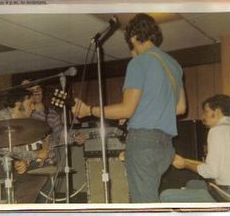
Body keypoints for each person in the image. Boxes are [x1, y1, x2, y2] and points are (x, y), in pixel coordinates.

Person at [72, 13, 186, 203]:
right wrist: (143, 110)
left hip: (143, 144)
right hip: (165, 147)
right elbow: (180, 108)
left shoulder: (139, 62)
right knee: (150, 199)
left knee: (144, 205)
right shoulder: (174, 65)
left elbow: (126, 110)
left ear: (133, 37)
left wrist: (89, 110)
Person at [160, 94, 230, 202]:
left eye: (205, 111)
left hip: (227, 195)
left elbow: (211, 172)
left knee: (166, 195)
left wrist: (185, 164)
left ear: (217, 111)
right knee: (193, 184)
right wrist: (185, 161)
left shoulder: (217, 131)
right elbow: (217, 167)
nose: (203, 117)